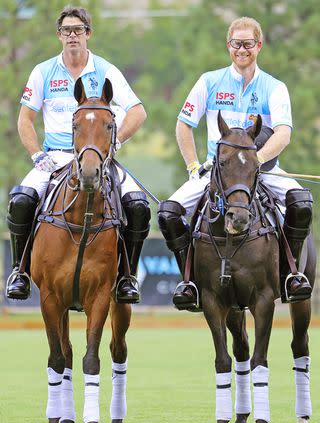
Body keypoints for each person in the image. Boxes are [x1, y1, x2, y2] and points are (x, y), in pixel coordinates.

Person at [157, 16, 312, 311]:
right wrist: (192, 168)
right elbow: (183, 125)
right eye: (237, 44)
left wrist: (257, 160)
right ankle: (189, 281)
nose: (242, 50)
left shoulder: (274, 87)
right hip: (219, 173)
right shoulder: (210, 81)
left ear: (259, 46)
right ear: (229, 46)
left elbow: (283, 133)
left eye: (248, 44)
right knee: (168, 213)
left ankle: (290, 275)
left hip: (262, 170)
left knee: (302, 203)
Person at [6, 5, 150, 304]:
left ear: (88, 34)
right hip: (56, 156)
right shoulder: (43, 71)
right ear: (59, 36)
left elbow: (138, 111)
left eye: (78, 30)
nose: (73, 35)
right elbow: (24, 120)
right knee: (21, 200)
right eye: (67, 31)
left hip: (99, 158)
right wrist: (36, 155)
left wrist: (116, 142)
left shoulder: (106, 70)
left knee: (137, 205)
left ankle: (127, 276)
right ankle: (19, 271)